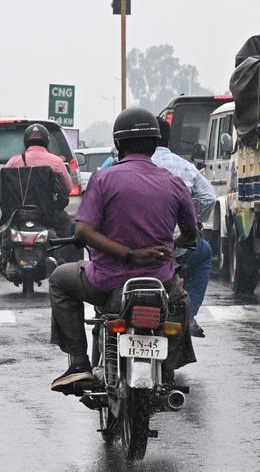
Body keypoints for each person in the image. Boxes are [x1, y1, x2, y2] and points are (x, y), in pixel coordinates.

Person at [48, 107, 198, 393]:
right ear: (155, 144)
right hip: (160, 285)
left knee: (58, 278)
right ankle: (167, 371)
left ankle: (79, 363)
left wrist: (128, 255)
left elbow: (82, 231)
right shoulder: (174, 183)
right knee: (181, 302)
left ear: (118, 144)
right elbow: (191, 234)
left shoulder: (103, 179)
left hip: (105, 282)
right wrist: (171, 246)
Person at [96, 117, 215, 336]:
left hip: (127, 249)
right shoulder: (183, 169)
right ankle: (189, 317)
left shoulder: (114, 171)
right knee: (204, 253)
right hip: (173, 248)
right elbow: (208, 197)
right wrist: (194, 224)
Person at [0, 123, 75, 250]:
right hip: (48, 213)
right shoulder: (56, 161)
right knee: (66, 222)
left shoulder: (14, 161)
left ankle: (1, 251)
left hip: (16, 213)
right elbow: (68, 188)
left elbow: (2, 184)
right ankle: (62, 253)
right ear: (47, 141)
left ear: (26, 142)